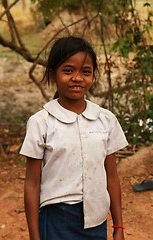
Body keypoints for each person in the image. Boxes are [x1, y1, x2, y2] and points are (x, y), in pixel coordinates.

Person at [20, 36, 128, 240]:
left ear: (93, 76)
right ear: (53, 74)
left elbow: (111, 177)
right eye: (68, 70)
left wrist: (119, 226)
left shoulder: (105, 120)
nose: (77, 78)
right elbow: (32, 184)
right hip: (56, 220)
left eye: (85, 72)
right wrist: (35, 237)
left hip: (96, 220)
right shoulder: (41, 122)